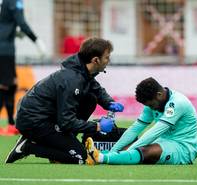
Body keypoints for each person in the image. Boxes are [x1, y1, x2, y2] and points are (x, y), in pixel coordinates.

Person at [5, 37, 124, 164]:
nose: (108, 61)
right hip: (33, 122)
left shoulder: (83, 71)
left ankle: (62, 143)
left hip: (45, 117)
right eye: (106, 57)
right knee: (80, 158)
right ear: (95, 60)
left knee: (90, 99)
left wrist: (109, 103)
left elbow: (96, 89)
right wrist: (97, 126)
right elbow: (66, 122)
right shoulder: (73, 81)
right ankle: (27, 147)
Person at [86, 77, 197, 165]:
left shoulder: (177, 103)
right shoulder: (152, 103)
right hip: (164, 141)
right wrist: (115, 150)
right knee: (125, 149)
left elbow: (155, 132)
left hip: (183, 148)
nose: (150, 108)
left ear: (159, 95)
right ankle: (94, 155)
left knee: (144, 151)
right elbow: (135, 129)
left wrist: (130, 150)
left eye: (151, 105)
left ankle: (101, 158)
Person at [0, 0, 46, 136]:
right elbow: (21, 22)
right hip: (4, 51)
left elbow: (6, 22)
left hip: (5, 49)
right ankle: (10, 124)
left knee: (11, 84)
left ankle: (10, 124)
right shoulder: (14, 1)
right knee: (5, 85)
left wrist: (14, 33)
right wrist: (36, 40)